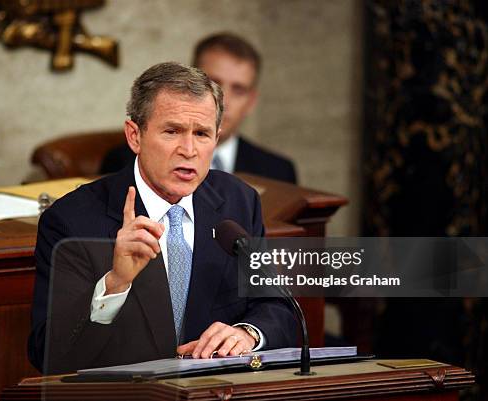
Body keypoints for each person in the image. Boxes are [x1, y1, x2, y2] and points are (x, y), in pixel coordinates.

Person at [28, 62, 296, 374]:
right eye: (172, 131)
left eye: (202, 134)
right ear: (134, 136)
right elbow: (48, 353)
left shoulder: (238, 202)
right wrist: (114, 285)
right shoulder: (72, 220)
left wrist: (247, 334)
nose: (189, 150)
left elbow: (278, 307)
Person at [100, 32, 297, 184]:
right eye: (214, 84)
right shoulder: (123, 160)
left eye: (238, 90)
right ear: (188, 83)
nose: (223, 100)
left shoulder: (278, 172)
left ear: (251, 101)